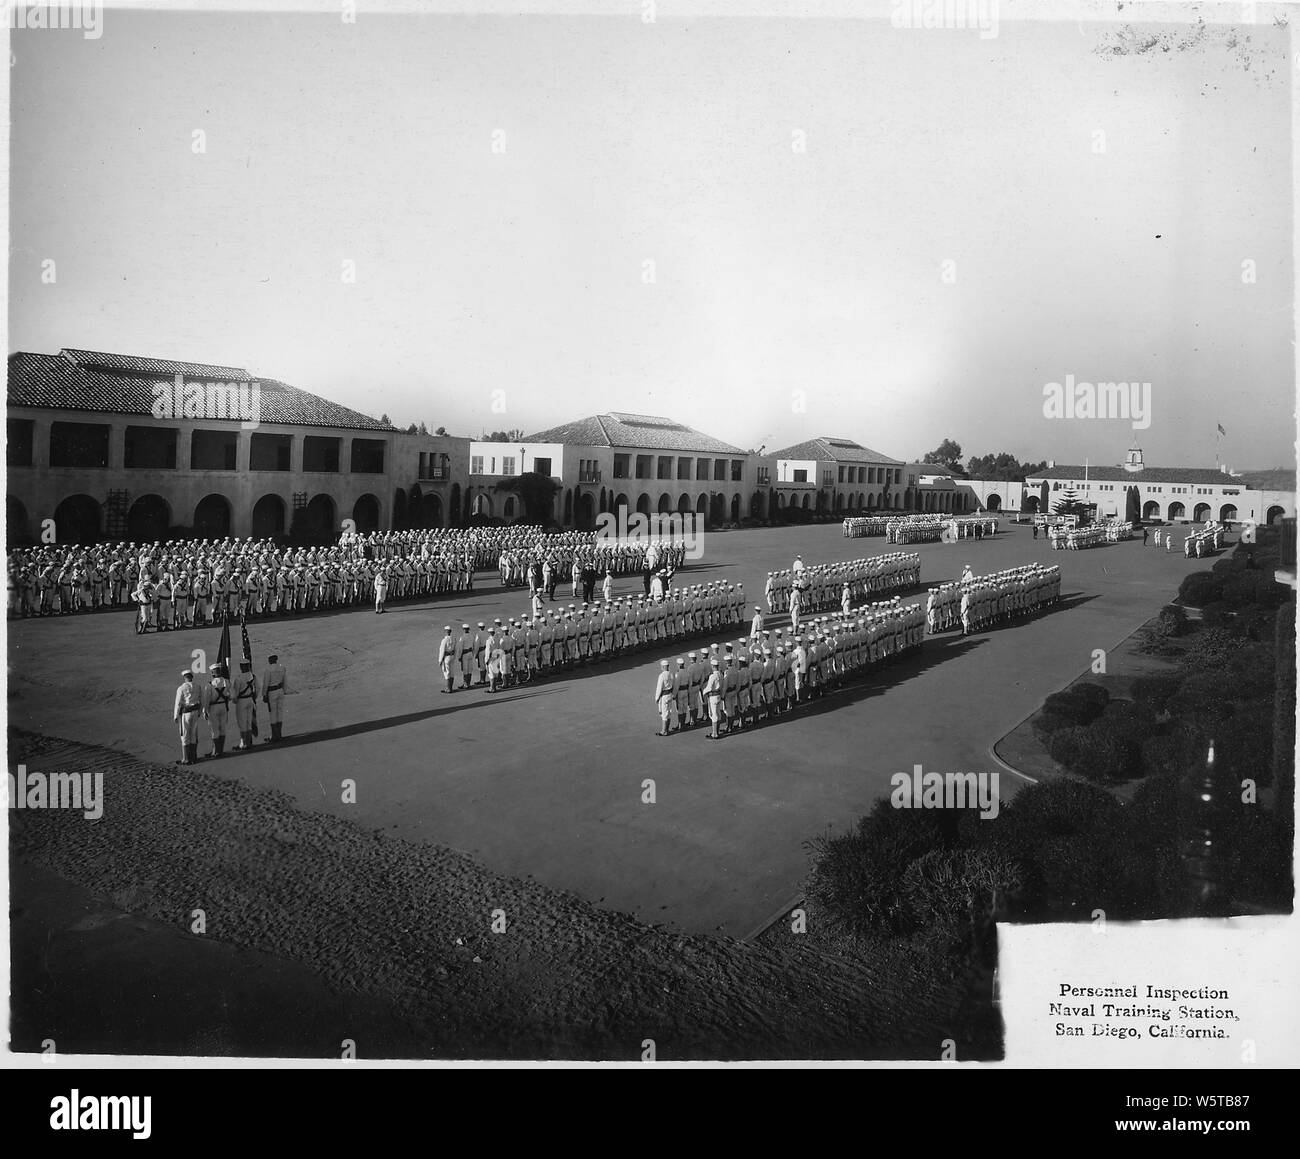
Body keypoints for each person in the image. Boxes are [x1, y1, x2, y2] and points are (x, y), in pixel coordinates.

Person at [173, 668, 202, 766]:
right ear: (192, 677)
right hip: (195, 712)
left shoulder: (181, 688)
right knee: (193, 734)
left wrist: (176, 715)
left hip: (186, 713)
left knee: (185, 735)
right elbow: (201, 699)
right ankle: (194, 757)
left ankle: (186, 758)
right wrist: (199, 711)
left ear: (185, 678)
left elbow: (178, 703)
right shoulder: (197, 686)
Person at [203, 661, 231, 757]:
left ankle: (215, 751)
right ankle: (221, 750)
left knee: (214, 730)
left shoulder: (210, 684)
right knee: (222, 728)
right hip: (223, 706)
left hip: (213, 708)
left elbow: (206, 700)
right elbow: (232, 695)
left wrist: (205, 711)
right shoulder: (226, 681)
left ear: (213, 673)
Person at [232, 659, 259, 750]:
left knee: (242, 723)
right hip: (250, 700)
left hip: (242, 701)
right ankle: (249, 742)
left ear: (241, 667)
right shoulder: (253, 676)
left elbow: (235, 693)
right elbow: (257, 688)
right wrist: (254, 698)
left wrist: (234, 700)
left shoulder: (238, 678)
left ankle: (243, 744)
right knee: (249, 722)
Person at [261, 653, 288, 742]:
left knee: (273, 714)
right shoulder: (282, 667)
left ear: (270, 660)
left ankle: (274, 736)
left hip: (272, 692)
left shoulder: (268, 669)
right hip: (280, 690)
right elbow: (285, 681)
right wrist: (284, 691)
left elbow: (266, 683)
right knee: (279, 712)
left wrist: (264, 694)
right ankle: (279, 734)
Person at [703, 657, 723, 740]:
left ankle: (714, 734)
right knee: (718, 714)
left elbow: (709, 687)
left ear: (713, 666)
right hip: (718, 695)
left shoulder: (713, 676)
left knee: (713, 714)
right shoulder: (721, 674)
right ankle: (716, 732)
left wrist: (704, 692)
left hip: (713, 696)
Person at [654, 659, 674, 737]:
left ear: (662, 667)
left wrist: (657, 698)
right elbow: (674, 684)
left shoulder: (662, 675)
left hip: (664, 696)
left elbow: (659, 688)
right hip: (670, 694)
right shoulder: (671, 674)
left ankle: (663, 731)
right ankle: (667, 729)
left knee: (664, 713)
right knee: (669, 712)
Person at [438, 625, 456, 693]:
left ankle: (448, 688)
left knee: (447, 672)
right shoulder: (454, 639)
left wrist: (440, 660)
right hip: (452, 656)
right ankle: (450, 688)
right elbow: (456, 648)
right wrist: (455, 656)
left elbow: (442, 651)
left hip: (446, 658)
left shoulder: (444, 640)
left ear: (445, 632)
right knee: (452, 672)